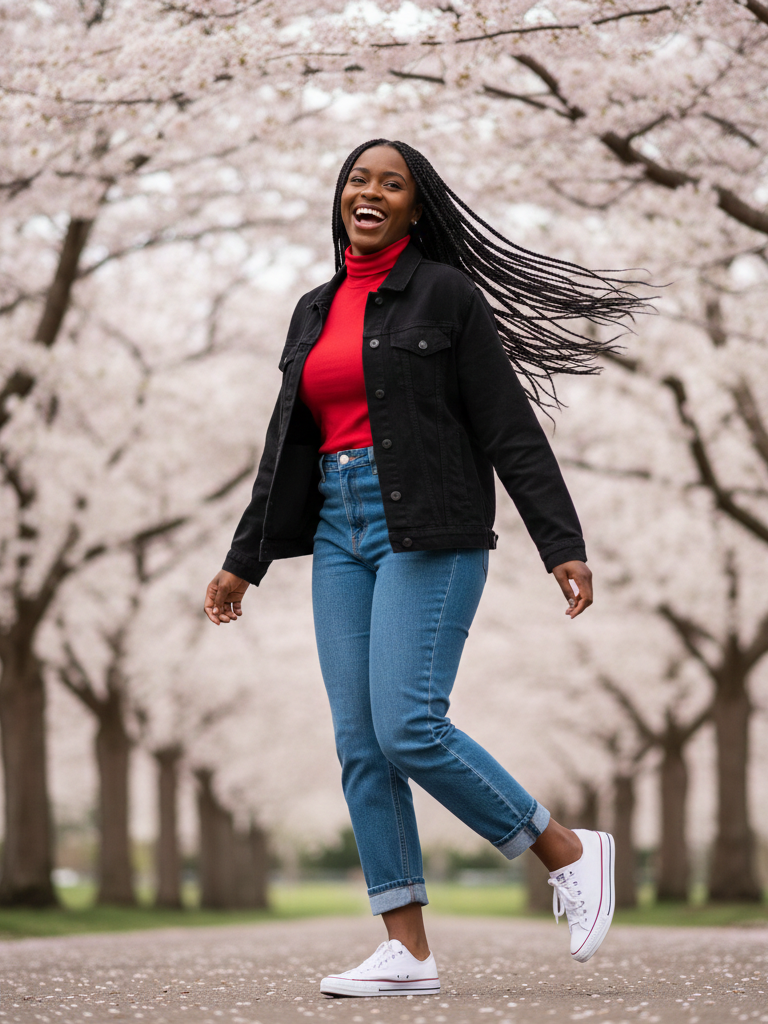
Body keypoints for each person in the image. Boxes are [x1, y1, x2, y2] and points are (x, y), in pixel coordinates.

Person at [205, 139, 646, 998]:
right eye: (358, 180)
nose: (370, 192)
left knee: (408, 723)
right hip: (338, 528)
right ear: (341, 199)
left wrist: (561, 541)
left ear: (415, 207)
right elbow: (284, 446)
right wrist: (242, 560)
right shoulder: (313, 309)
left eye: (391, 183)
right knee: (361, 743)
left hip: (430, 524)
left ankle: (564, 848)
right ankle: (405, 952)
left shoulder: (446, 294)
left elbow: (508, 425)